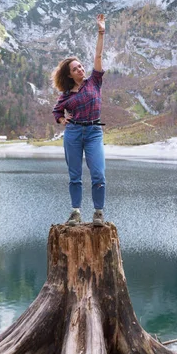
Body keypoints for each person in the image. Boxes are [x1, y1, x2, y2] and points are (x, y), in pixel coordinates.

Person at [52, 14, 106, 226]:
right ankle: (75, 212)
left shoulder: (94, 81)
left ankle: (98, 214)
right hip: (73, 134)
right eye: (75, 69)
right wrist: (62, 120)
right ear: (69, 75)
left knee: (98, 174)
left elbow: (98, 57)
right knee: (75, 176)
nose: (81, 69)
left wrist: (101, 31)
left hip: (93, 132)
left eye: (81, 66)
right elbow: (56, 111)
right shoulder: (66, 95)